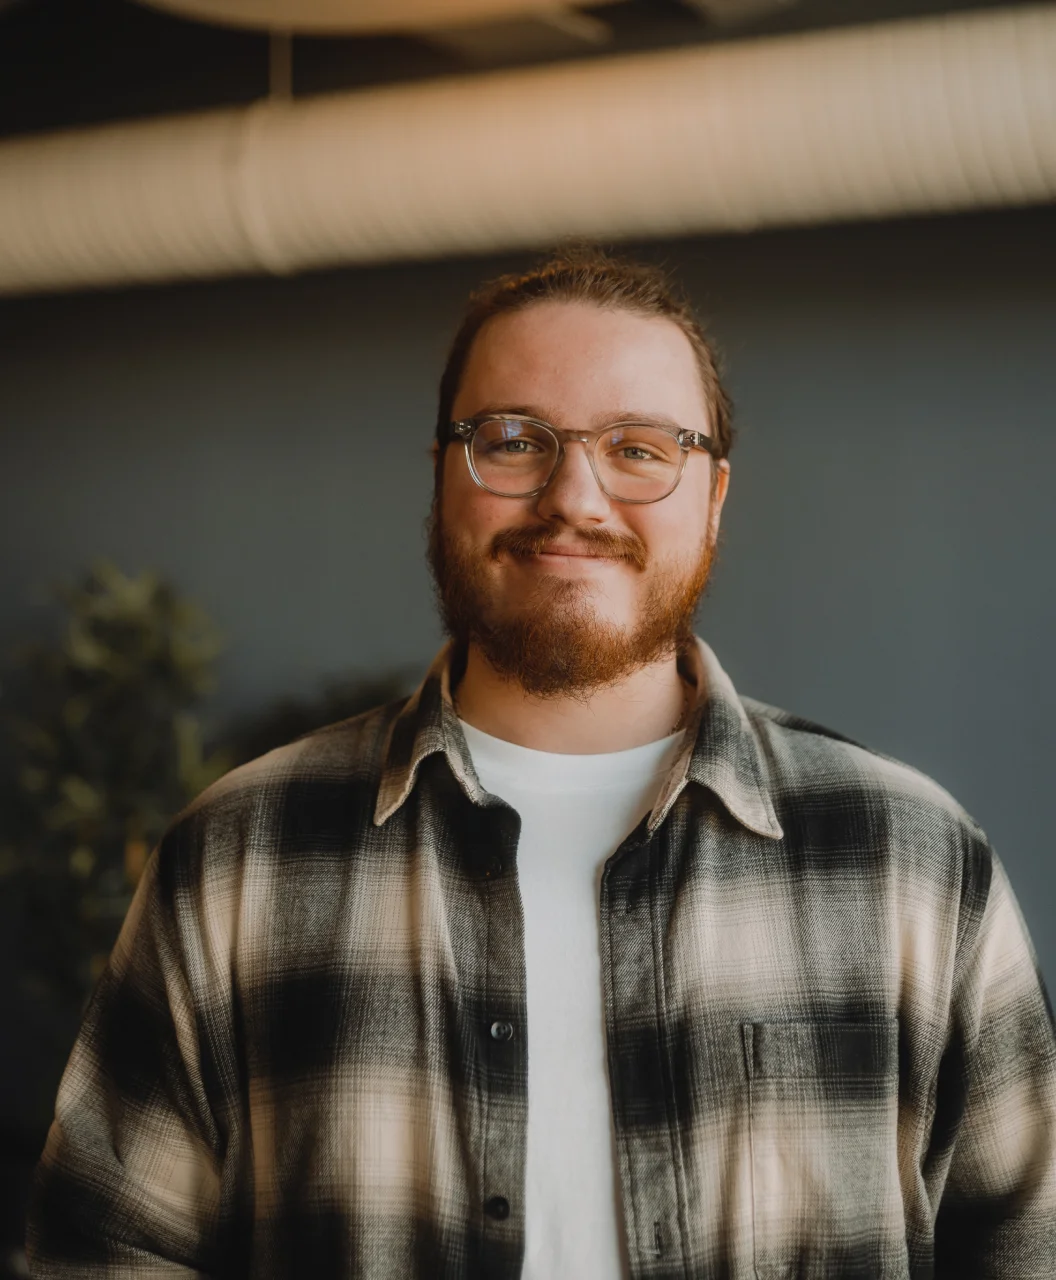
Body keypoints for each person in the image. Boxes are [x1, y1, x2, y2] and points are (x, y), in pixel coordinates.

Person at [27, 247, 1056, 1279]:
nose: (576, 498)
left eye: (639, 448)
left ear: (714, 497)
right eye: (513, 440)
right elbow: (103, 1255)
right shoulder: (236, 858)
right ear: (442, 474)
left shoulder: (913, 862)